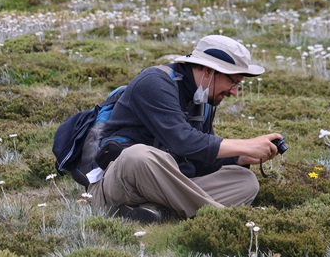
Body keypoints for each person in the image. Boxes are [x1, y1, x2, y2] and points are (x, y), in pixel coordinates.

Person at [88, 34, 283, 223]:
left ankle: (155, 211)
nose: (234, 91)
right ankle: (220, 218)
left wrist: (239, 158)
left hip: (169, 185)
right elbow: (182, 141)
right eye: (233, 82)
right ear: (208, 71)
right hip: (121, 183)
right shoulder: (154, 82)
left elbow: (197, 158)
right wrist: (245, 145)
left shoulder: (203, 100)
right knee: (138, 155)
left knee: (245, 180)